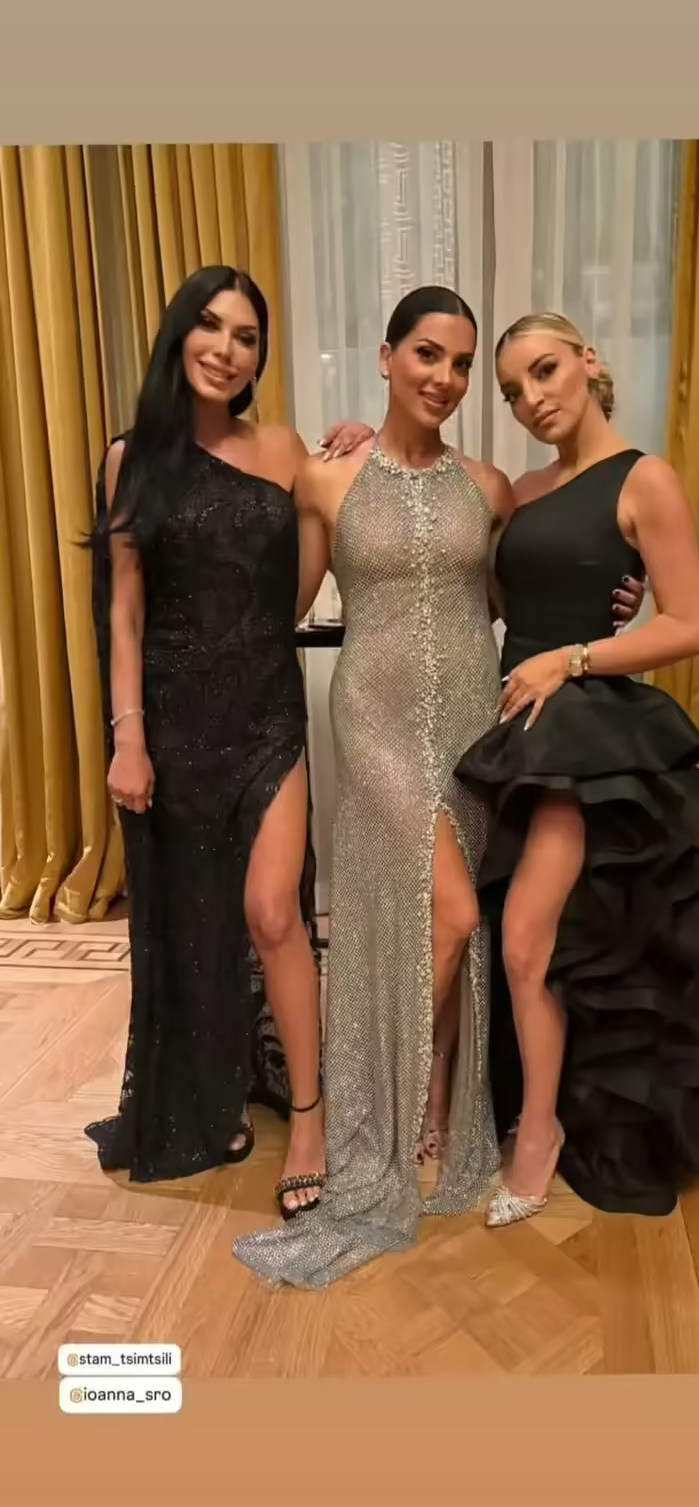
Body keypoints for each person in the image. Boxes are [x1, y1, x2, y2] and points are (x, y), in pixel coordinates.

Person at [231, 286, 644, 1290]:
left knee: (443, 917)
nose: (446, 378)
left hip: (469, 718)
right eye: (427, 354)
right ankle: (383, 1097)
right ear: (386, 357)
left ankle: (435, 1096)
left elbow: (522, 597)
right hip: (373, 718)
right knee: (453, 914)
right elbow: (286, 606)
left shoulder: (490, 486)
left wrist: (619, 602)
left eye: (462, 365)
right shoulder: (327, 479)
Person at [455, 311, 699, 1225]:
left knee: (526, 940)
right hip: (514, 729)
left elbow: (691, 624)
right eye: (513, 390)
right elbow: (498, 589)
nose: (532, 398)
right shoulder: (524, 488)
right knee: (530, 941)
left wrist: (576, 656)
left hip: (582, 737)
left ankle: (540, 1134)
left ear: (588, 362)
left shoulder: (645, 478)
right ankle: (528, 1103)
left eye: (546, 370)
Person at [86, 264, 327, 1217]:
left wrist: (352, 444)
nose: (228, 350)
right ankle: (208, 1093)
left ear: (260, 357)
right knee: (192, 919)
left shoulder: (285, 448)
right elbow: (125, 612)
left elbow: (305, 579)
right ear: (180, 333)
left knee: (273, 913)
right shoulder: (131, 459)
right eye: (213, 327)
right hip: (172, 720)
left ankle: (308, 1118)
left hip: (267, 711)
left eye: (247, 337)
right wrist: (128, 738)